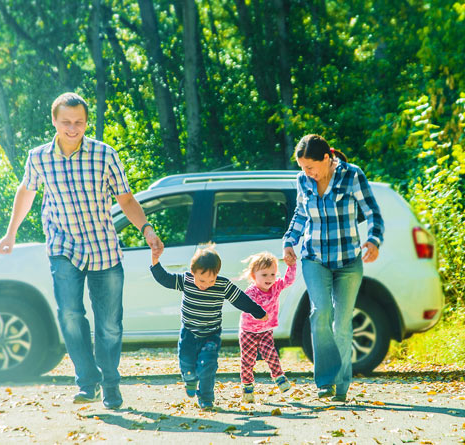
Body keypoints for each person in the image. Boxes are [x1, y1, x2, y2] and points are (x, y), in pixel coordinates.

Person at [0, 92, 163, 409]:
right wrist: (11, 233)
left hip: (103, 247)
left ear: (86, 122)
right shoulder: (39, 157)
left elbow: (125, 199)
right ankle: (88, 382)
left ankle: (111, 384)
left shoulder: (105, 155)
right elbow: (27, 192)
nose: (73, 128)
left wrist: (147, 229)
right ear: (55, 122)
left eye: (79, 122)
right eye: (66, 122)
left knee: (109, 324)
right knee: (71, 315)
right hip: (63, 244)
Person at [282, 134, 384, 403]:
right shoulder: (302, 180)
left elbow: (372, 212)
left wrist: (373, 239)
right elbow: (301, 213)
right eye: (302, 168)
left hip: (348, 262)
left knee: (342, 322)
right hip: (314, 258)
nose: (306, 173)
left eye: (310, 167)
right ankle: (325, 381)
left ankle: (341, 385)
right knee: (321, 313)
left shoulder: (352, 176)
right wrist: (289, 241)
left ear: (326, 159)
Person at [149, 245, 267, 411]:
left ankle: (206, 398)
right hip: (189, 332)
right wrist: (155, 262)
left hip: (211, 334)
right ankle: (189, 378)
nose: (206, 284)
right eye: (202, 280)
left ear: (217, 275)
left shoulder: (222, 285)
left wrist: (258, 312)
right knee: (186, 361)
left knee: (208, 364)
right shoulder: (186, 280)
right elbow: (165, 279)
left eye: (211, 280)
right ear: (193, 272)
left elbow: (240, 299)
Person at [238, 251, 296, 403]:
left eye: (272, 274)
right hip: (248, 331)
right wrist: (259, 313)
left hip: (265, 330)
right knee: (248, 360)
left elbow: (289, 281)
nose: (269, 278)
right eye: (264, 275)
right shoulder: (251, 292)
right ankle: (247, 386)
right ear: (253, 276)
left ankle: (279, 378)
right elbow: (248, 307)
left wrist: (291, 266)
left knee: (271, 354)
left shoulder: (275, 287)